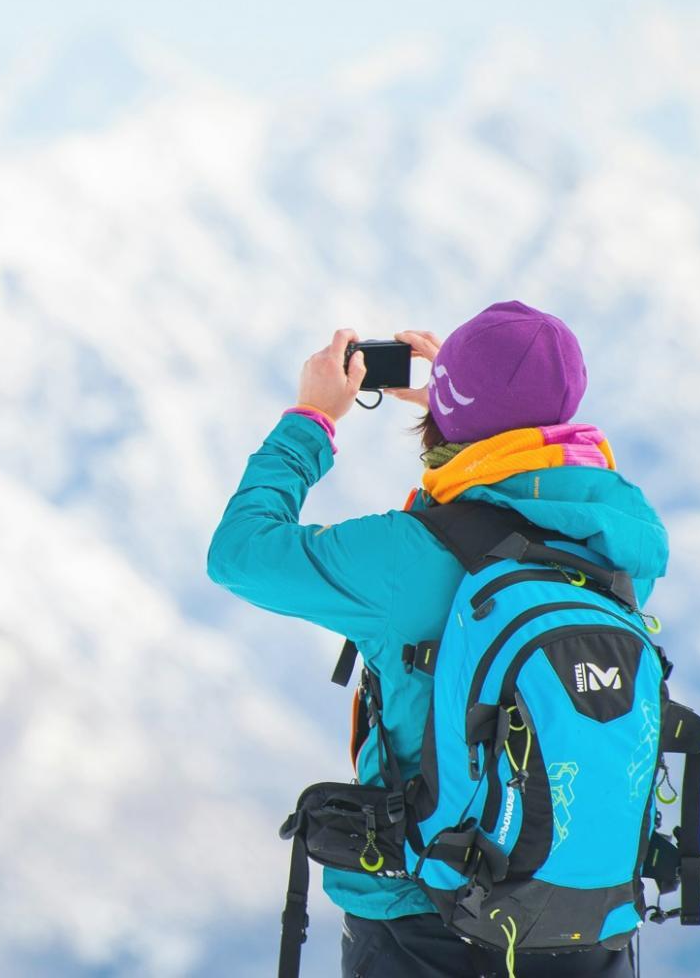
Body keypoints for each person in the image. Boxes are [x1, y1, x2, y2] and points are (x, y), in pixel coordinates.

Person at [206, 301, 666, 977]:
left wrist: (312, 421)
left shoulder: (404, 558)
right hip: (587, 926)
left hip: (421, 921)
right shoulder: (624, 542)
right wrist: (474, 409)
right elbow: (524, 495)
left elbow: (239, 553)